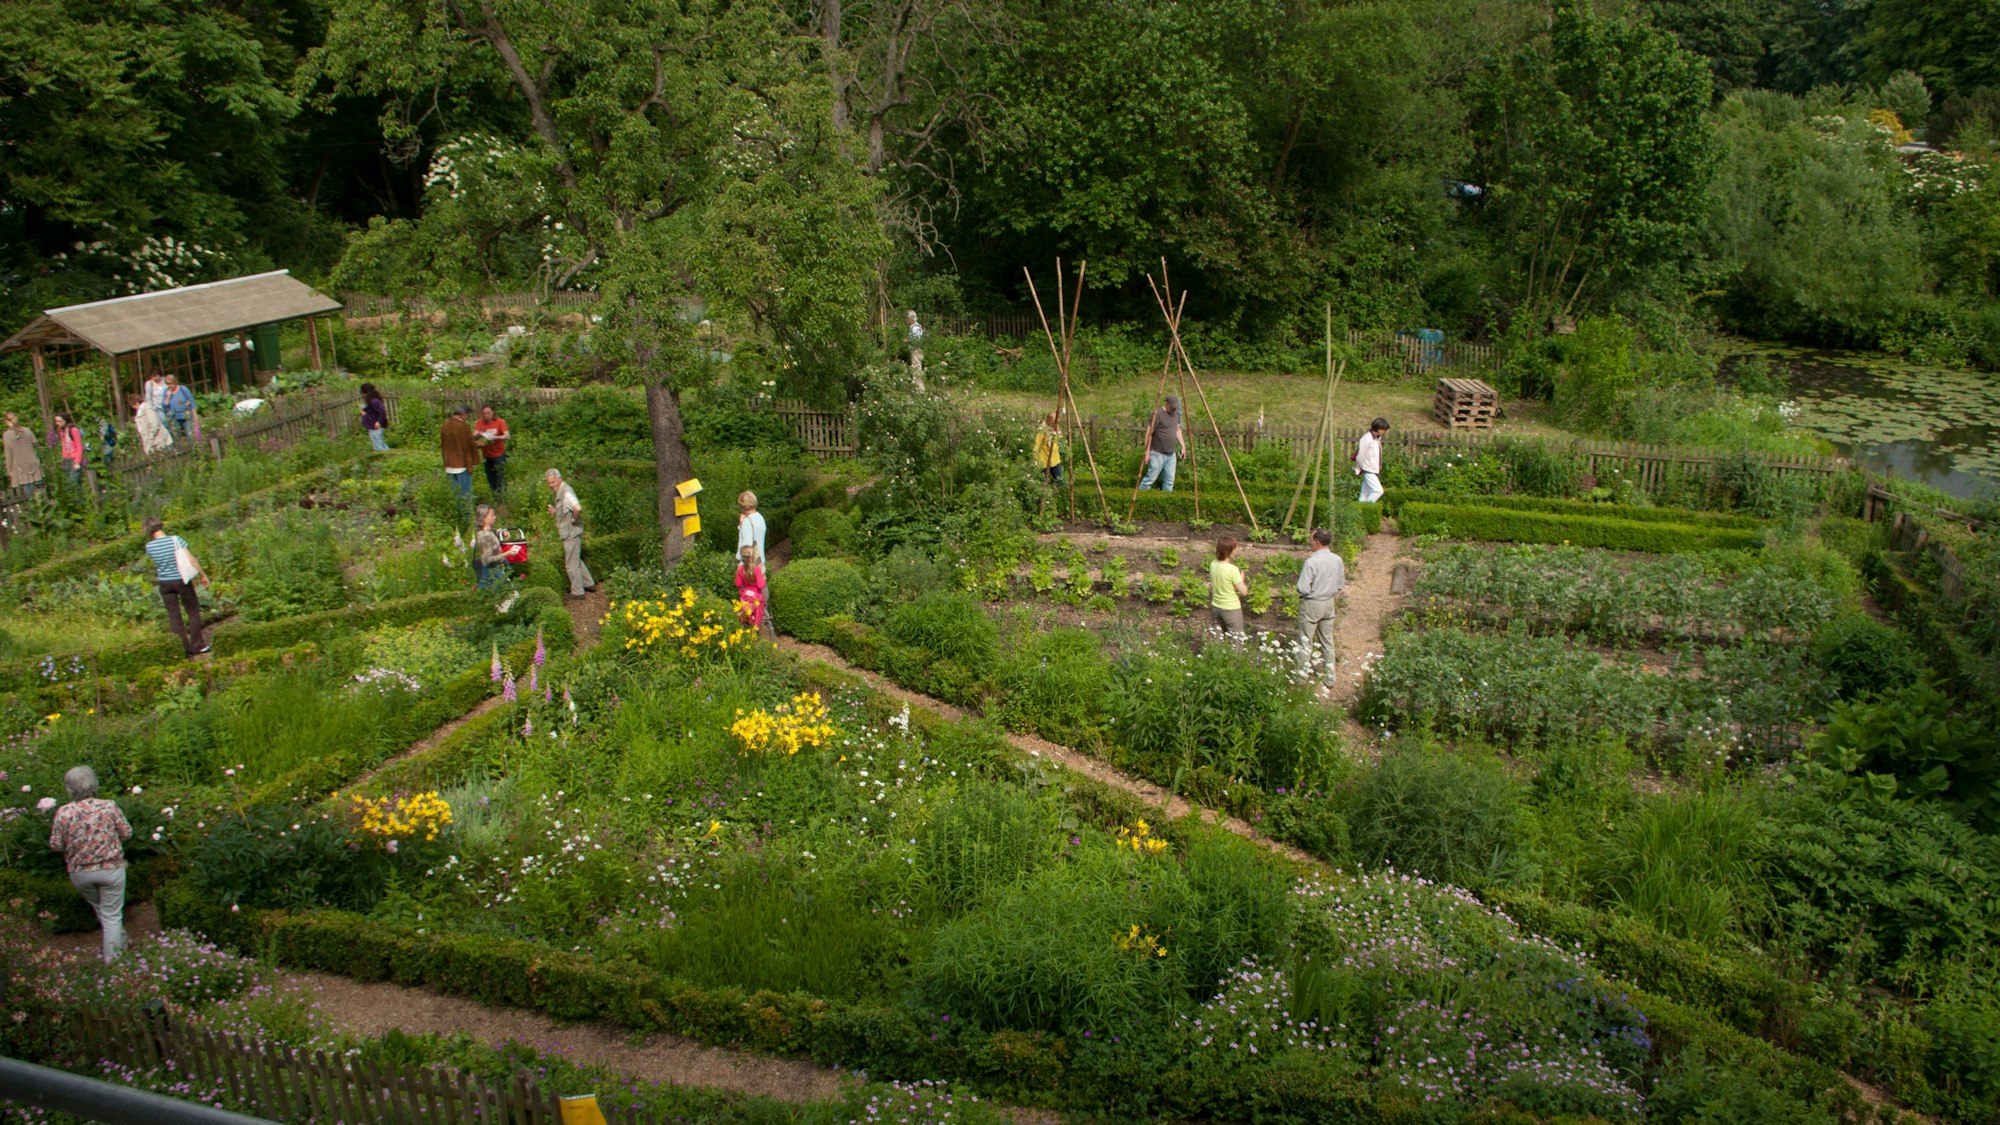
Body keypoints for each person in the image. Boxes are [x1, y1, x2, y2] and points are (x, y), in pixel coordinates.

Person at [47, 765, 132, 963]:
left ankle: (123, 943)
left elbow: (56, 845)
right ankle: (114, 964)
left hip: (80, 873)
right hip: (111, 869)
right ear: (93, 784)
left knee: (105, 912)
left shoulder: (63, 812)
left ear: (69, 788)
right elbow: (127, 833)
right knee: (111, 915)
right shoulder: (108, 806)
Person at [144, 516, 211, 657]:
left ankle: (183, 648)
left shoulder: (149, 547)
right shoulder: (175, 540)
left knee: (174, 615)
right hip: (181, 580)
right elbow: (191, 560)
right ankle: (198, 644)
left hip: (164, 583)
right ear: (160, 525)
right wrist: (203, 575)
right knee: (192, 610)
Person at [1295, 528, 1346, 687]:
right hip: (1329, 603)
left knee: (1305, 640)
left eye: (1311, 539)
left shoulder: (1311, 562)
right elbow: (1340, 584)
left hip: (1312, 603)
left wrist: (1311, 591)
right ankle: (1330, 678)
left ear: (1317, 542)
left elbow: (1302, 588)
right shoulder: (1337, 559)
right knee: (1327, 641)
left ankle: (1300, 678)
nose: (1310, 542)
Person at [546, 469, 596, 598]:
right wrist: (555, 512)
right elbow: (566, 510)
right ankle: (589, 583)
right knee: (575, 559)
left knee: (570, 564)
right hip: (571, 531)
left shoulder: (566, 492)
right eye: (549, 483)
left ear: (559, 479)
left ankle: (578, 592)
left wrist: (574, 519)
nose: (551, 485)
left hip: (570, 533)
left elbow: (577, 508)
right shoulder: (562, 491)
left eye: (552, 482)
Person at [1137, 395, 1184, 492]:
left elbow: (1178, 430)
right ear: (1166, 404)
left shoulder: (1176, 414)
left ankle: (1165, 502)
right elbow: (1149, 433)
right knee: (1149, 480)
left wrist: (1183, 446)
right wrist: (1147, 452)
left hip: (1171, 454)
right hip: (1157, 453)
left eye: (1175, 407)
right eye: (1172, 407)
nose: (1174, 409)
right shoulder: (1158, 414)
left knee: (1169, 482)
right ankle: (1140, 498)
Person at [1209, 536, 1249, 638]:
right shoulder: (1232, 569)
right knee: (1237, 639)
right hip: (1231, 608)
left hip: (1216, 606)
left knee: (1216, 638)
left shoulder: (1213, 564)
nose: (1236, 551)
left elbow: (1224, 584)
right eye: (1234, 549)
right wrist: (1241, 579)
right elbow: (1244, 592)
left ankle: (1213, 654)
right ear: (1229, 551)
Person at [440, 404, 477, 503]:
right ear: (463, 414)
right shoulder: (462, 427)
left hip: (449, 464)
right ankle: (466, 516)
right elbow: (467, 447)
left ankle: (456, 515)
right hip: (461, 465)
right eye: (467, 415)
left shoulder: (445, 425)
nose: (467, 418)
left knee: (454, 495)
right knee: (465, 495)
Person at [474, 405, 509, 499]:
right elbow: (474, 436)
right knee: (490, 477)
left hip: (498, 454)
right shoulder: (480, 423)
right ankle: (495, 496)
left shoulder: (499, 422)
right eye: (484, 413)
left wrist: (496, 437)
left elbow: (507, 436)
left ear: (493, 412)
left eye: (488, 413)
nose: (487, 415)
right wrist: (478, 434)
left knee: (500, 477)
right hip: (486, 455)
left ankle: (502, 497)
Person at [4, 411, 44, 494]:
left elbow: (9, 455)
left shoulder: (7, 435)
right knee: (41, 490)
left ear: (7, 421)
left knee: (29, 493)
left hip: (20, 466)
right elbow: (36, 443)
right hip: (33, 462)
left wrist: (9, 471)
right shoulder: (27, 430)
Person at [1354, 416, 1389, 504]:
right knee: (1378, 491)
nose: (1385, 432)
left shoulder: (1376, 439)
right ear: (1379, 429)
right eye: (1384, 429)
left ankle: (1359, 511)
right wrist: (1357, 468)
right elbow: (1361, 455)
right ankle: (1366, 508)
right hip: (1368, 469)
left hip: (1372, 469)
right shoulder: (1367, 438)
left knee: (1364, 495)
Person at [735, 544, 769, 633]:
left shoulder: (739, 569)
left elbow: (738, 584)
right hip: (755, 595)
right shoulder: (756, 569)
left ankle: (745, 624)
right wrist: (764, 579)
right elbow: (761, 585)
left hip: (745, 595)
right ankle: (756, 627)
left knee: (744, 610)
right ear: (752, 557)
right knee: (760, 604)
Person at [472, 503, 506, 588]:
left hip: (496, 570)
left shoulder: (489, 531)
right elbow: (487, 560)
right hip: (491, 572)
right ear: (484, 518)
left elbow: (493, 531)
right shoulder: (485, 536)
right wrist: (507, 554)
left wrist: (501, 532)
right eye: (492, 515)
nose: (495, 517)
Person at [53, 412, 89, 482]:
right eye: (56, 421)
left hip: (74, 459)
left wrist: (77, 462)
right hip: (66, 459)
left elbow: (79, 446)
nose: (58, 423)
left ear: (66, 420)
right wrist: (63, 459)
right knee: (70, 482)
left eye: (60, 421)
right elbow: (64, 445)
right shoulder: (61, 430)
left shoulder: (73, 430)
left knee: (73, 482)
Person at [1033, 411, 1065, 486]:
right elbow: (1036, 444)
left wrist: (1059, 434)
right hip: (1044, 461)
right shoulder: (1042, 429)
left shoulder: (1055, 427)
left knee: (1060, 481)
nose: (1056, 424)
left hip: (1055, 460)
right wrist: (1034, 458)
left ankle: (1058, 495)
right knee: (1043, 483)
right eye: (1054, 422)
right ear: (1049, 420)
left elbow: (1060, 437)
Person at [737, 491, 767, 568]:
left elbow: (746, 546)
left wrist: (742, 524)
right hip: (760, 563)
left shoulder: (747, 521)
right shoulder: (760, 517)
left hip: (749, 566)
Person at [164, 374, 195, 440]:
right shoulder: (166, 392)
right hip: (174, 416)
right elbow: (164, 406)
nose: (169, 386)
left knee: (189, 434)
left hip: (186, 415)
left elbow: (192, 402)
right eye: (167, 384)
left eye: (171, 384)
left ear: (175, 382)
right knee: (177, 436)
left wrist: (194, 415)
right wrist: (168, 397)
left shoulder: (183, 389)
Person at [360, 383, 390, 451]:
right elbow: (371, 412)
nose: (362, 395)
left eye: (362, 393)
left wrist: (379, 422)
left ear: (365, 393)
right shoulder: (370, 401)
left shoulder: (375, 401)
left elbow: (382, 412)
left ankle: (386, 458)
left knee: (379, 446)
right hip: (372, 426)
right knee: (378, 445)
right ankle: (386, 457)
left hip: (376, 426)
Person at [905, 309, 926, 391]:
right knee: (916, 369)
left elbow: (916, 341)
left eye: (907, 318)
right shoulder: (915, 327)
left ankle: (920, 390)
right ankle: (917, 388)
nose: (906, 320)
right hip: (916, 350)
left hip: (916, 350)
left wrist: (908, 341)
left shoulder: (915, 328)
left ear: (911, 319)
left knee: (917, 369)